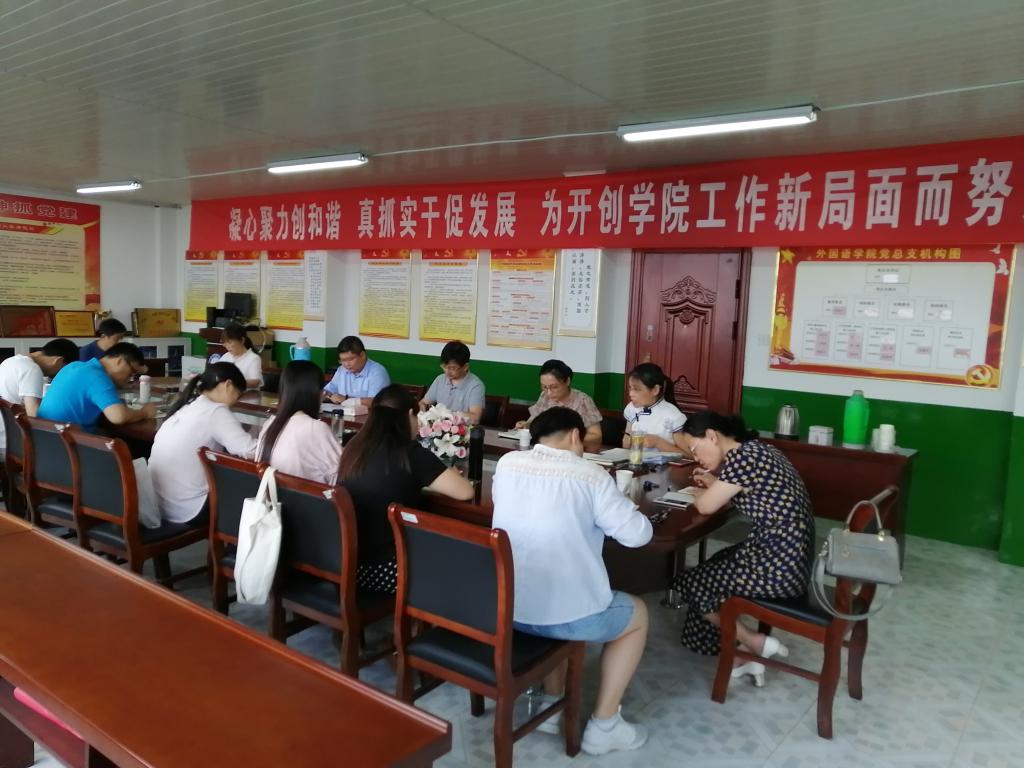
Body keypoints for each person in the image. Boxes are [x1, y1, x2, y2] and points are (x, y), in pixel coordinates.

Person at [492, 407, 652, 755]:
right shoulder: (591, 475)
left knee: (556, 589)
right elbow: (638, 535)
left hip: (505, 608)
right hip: (562, 616)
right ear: (576, 435)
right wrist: (625, 506)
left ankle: (552, 706)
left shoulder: (507, 464)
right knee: (637, 615)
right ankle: (605, 725)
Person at [674, 411, 815, 686]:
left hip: (777, 568)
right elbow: (752, 493)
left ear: (712, 436)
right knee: (716, 563)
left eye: (695, 448)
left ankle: (752, 642)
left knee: (691, 582)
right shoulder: (759, 450)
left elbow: (706, 506)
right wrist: (715, 484)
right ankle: (734, 651)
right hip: (793, 560)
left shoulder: (742, 458)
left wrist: (698, 495)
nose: (695, 456)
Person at [339, 385, 473, 595]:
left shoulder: (354, 447)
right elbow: (466, 492)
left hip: (349, 564)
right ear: (410, 414)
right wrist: (444, 474)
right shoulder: (410, 453)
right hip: (389, 571)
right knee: (461, 551)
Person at [149, 362, 257, 526]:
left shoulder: (187, 405)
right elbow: (248, 450)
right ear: (228, 385)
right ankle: (238, 541)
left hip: (158, 505)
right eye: (238, 394)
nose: (236, 401)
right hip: (189, 508)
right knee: (251, 486)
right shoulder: (215, 410)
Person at [38, 342, 156, 431]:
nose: (129, 379)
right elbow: (118, 416)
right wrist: (144, 412)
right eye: (131, 373)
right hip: (66, 447)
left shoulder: (74, 366)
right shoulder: (98, 376)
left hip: (46, 438)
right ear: (119, 361)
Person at [258, 360, 341, 485]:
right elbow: (342, 473)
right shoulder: (316, 428)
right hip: (312, 497)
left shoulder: (270, 423)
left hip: (276, 496)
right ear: (315, 393)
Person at [0, 338, 79, 458]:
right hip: (12, 443)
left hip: (6, 438)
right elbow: (34, 418)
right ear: (59, 360)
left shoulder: (10, 361)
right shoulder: (31, 369)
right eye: (62, 370)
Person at [515, 359, 603, 443]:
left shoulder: (582, 400)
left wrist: (563, 440)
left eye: (554, 387)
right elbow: (533, 421)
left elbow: (596, 435)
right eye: (544, 387)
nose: (549, 393)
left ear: (567, 381)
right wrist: (526, 425)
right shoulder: (544, 396)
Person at [621, 362, 687, 452]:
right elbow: (625, 445)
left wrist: (657, 442)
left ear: (655, 390)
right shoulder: (631, 408)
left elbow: (689, 455)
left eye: (637, 389)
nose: (631, 394)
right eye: (630, 388)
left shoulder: (674, 417)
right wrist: (629, 440)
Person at [419, 340, 485, 423]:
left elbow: (475, 418)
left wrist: (448, 414)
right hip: (438, 428)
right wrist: (422, 406)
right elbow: (424, 402)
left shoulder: (476, 385)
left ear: (465, 366)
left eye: (452, 368)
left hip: (462, 429)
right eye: (444, 366)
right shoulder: (440, 379)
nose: (447, 371)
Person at [323, 336, 391, 406]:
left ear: (362, 355)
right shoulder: (342, 370)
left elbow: (377, 402)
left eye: (350, 359)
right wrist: (324, 395)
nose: (347, 364)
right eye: (343, 360)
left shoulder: (377, 372)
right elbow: (330, 390)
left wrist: (346, 399)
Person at [218, 323, 263, 389]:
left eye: (229, 342)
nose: (227, 346)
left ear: (242, 340)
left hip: (246, 394)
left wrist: (234, 383)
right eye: (225, 342)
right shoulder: (226, 356)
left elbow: (255, 382)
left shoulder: (253, 358)